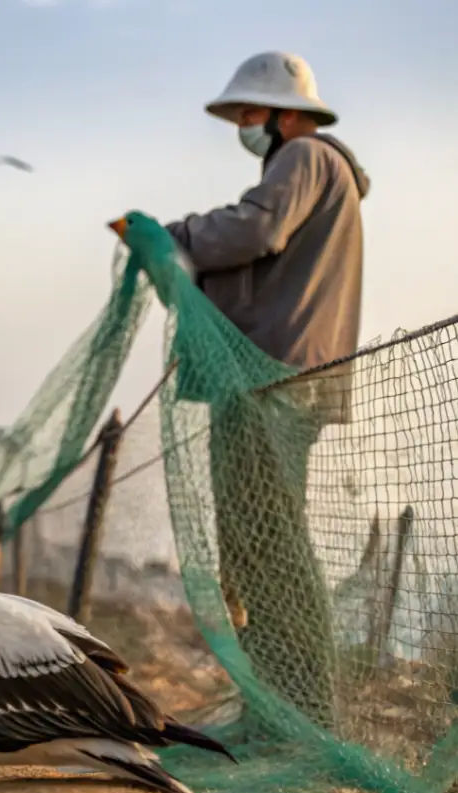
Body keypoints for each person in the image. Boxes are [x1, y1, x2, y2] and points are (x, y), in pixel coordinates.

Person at [163, 51, 370, 729]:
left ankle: (300, 708)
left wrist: (178, 237)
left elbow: (256, 229)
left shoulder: (306, 159)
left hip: (272, 375)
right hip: (275, 376)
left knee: (271, 542)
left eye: (251, 113)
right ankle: (275, 703)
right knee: (254, 542)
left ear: (288, 115)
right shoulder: (309, 167)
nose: (243, 126)